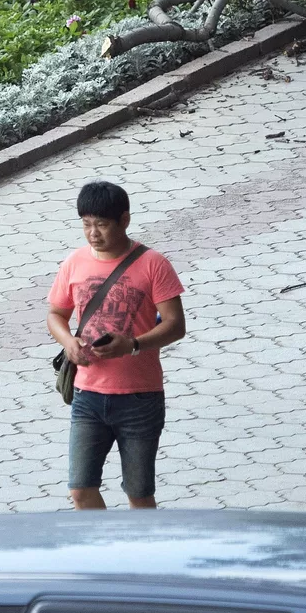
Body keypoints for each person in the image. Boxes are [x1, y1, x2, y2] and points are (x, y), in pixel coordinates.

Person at [46, 180, 186, 509]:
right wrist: (68, 342)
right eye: (86, 224)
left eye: (102, 224)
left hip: (140, 397)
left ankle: (140, 543)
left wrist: (133, 344)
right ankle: (105, 539)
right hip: (87, 395)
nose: (93, 233)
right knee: (80, 490)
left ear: (124, 220)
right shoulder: (74, 262)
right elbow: (55, 314)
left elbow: (175, 325)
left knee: (139, 494)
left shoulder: (153, 264)